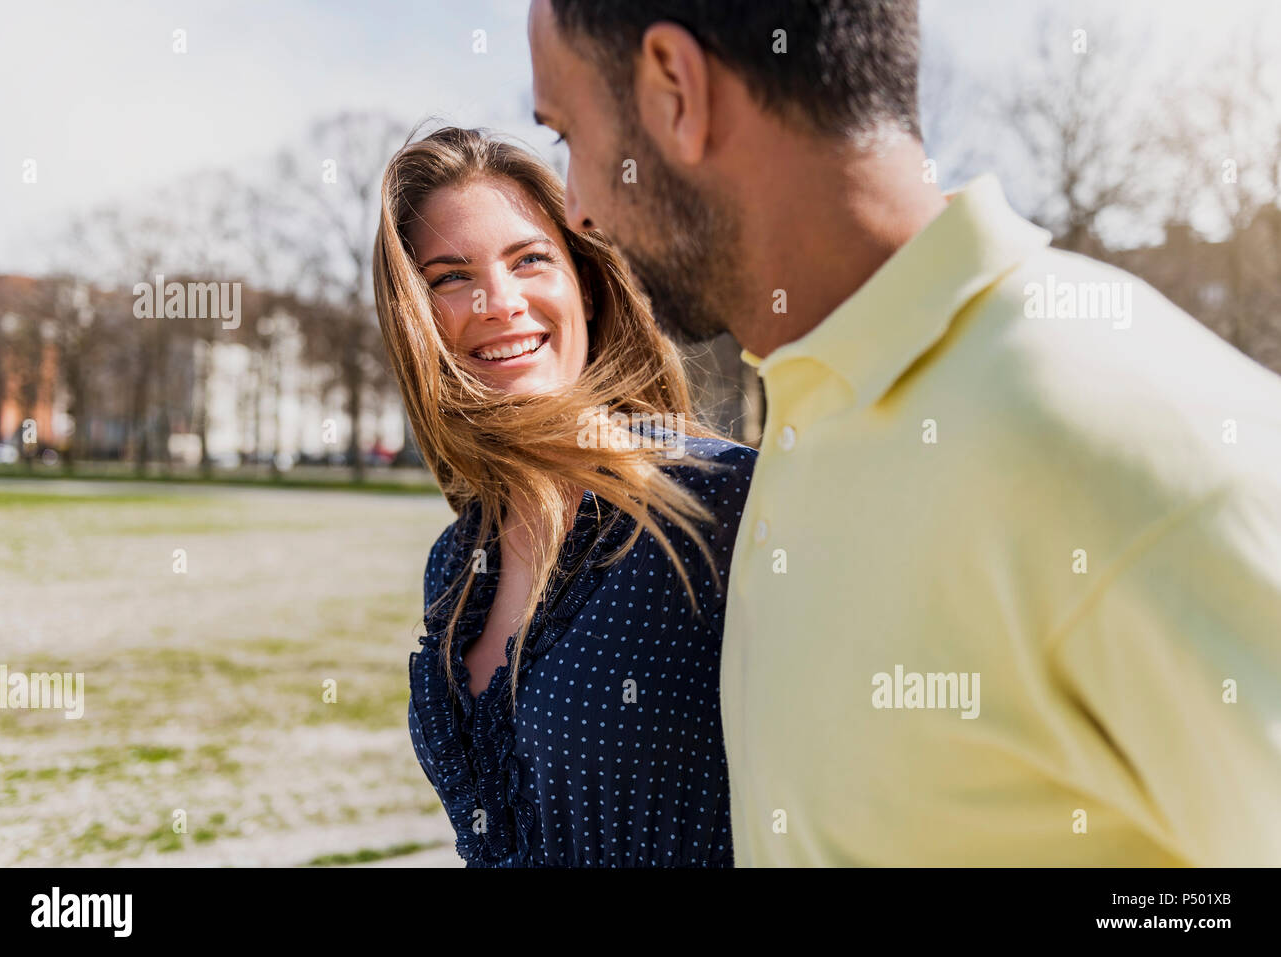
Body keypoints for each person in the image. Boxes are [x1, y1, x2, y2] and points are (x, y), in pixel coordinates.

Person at [528, 0, 1281, 865]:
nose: (576, 209)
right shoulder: (811, 404)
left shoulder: (1129, 433)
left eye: (566, 135)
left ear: (674, 91)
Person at [372, 125, 756, 866]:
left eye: (530, 259)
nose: (498, 301)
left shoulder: (720, 502)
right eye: (450, 277)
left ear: (585, 279)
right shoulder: (455, 567)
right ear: (415, 320)